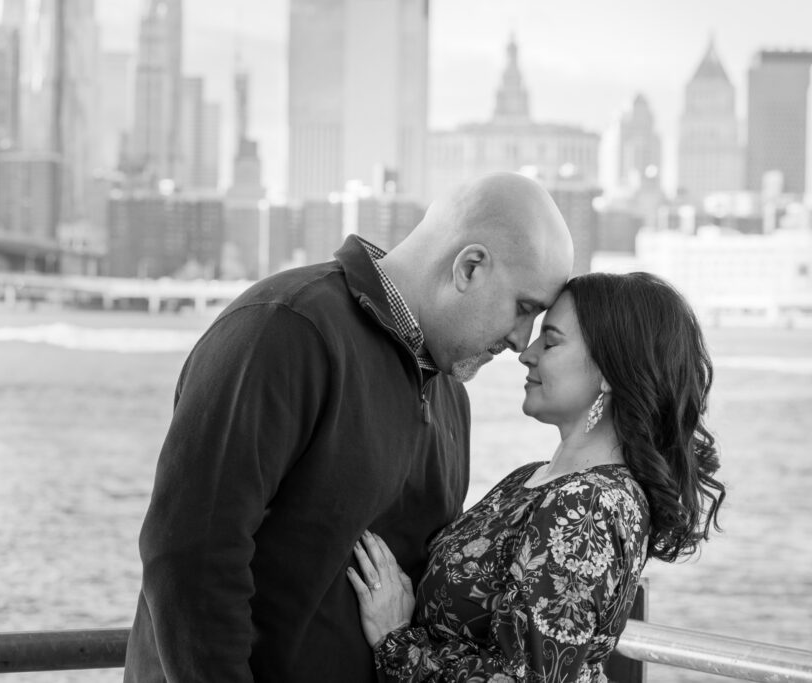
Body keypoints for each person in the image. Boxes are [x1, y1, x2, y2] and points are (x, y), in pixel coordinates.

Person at [124, 172, 575, 682]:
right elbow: (190, 559)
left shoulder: (451, 396)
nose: (521, 340)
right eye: (523, 308)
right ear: (469, 267)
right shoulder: (284, 328)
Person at [348, 271, 727, 682]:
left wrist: (396, 640)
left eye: (551, 341)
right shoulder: (531, 479)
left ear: (610, 373)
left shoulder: (590, 504)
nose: (526, 353)